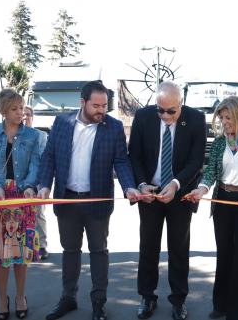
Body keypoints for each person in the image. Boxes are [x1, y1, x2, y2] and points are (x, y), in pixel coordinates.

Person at [37, 81, 140, 320]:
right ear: (82, 102)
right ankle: (68, 298)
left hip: (97, 203)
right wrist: (43, 184)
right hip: (67, 200)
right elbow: (49, 157)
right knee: (70, 251)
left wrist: (130, 188)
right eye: (96, 105)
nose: (101, 110)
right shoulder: (62, 122)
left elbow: (121, 162)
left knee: (98, 252)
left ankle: (98, 303)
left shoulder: (113, 127)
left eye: (104, 105)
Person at [186, 96, 238, 320]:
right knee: (224, 255)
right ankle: (220, 305)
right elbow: (211, 171)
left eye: (228, 117)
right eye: (221, 117)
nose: (224, 122)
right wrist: (202, 189)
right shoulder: (220, 141)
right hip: (222, 201)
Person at [128, 81, 206, 320]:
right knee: (148, 248)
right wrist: (142, 184)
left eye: (171, 111)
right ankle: (147, 297)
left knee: (179, 249)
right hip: (149, 194)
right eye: (160, 110)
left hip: (180, 194)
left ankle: (178, 300)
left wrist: (175, 184)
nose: (164, 115)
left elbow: (195, 160)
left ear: (181, 104)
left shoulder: (196, 119)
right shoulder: (143, 117)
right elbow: (135, 155)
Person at [0, 88, 41, 320]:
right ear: (4, 111)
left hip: (23, 198)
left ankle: (20, 297)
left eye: (22, 107)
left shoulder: (33, 135)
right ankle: (2, 298)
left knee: (21, 253)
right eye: (14, 109)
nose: (20, 112)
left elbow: (36, 164)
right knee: (1, 254)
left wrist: (30, 186)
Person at [23, 105, 49, 260]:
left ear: (32, 117)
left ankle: (42, 246)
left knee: (38, 214)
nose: (25, 117)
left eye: (28, 114)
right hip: (17, 182)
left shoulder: (41, 136)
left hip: (37, 180)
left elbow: (44, 158)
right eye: (23, 114)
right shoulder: (12, 134)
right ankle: (23, 246)